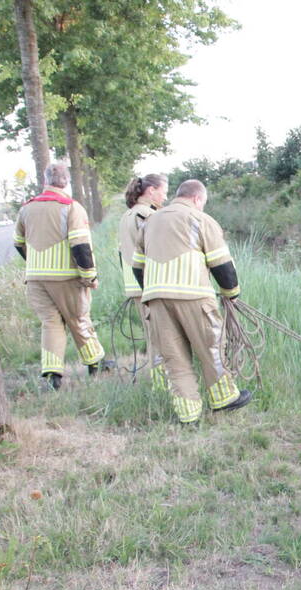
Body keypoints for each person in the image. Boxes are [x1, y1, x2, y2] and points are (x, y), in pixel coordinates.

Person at [132, 179, 252, 424]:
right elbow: (222, 265)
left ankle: (188, 413)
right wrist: (231, 293)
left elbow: (137, 267)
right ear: (197, 199)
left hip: (156, 300)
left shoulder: (149, 222)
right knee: (212, 348)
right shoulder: (201, 219)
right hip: (194, 296)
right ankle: (224, 398)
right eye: (203, 203)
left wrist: (152, 292)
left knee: (174, 358)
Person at [14, 162, 105, 389]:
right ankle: (95, 363)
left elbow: (18, 242)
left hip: (36, 278)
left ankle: (53, 374)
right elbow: (80, 246)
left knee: (50, 323)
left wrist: (36, 264)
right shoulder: (71, 207)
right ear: (67, 182)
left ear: (45, 180)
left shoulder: (26, 208)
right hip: (67, 278)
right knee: (78, 319)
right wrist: (89, 277)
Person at [119, 173, 168, 385]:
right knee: (161, 337)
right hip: (150, 285)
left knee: (152, 336)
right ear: (151, 190)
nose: (165, 197)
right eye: (163, 192)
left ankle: (160, 382)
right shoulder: (147, 215)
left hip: (136, 286)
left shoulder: (127, 215)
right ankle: (162, 384)